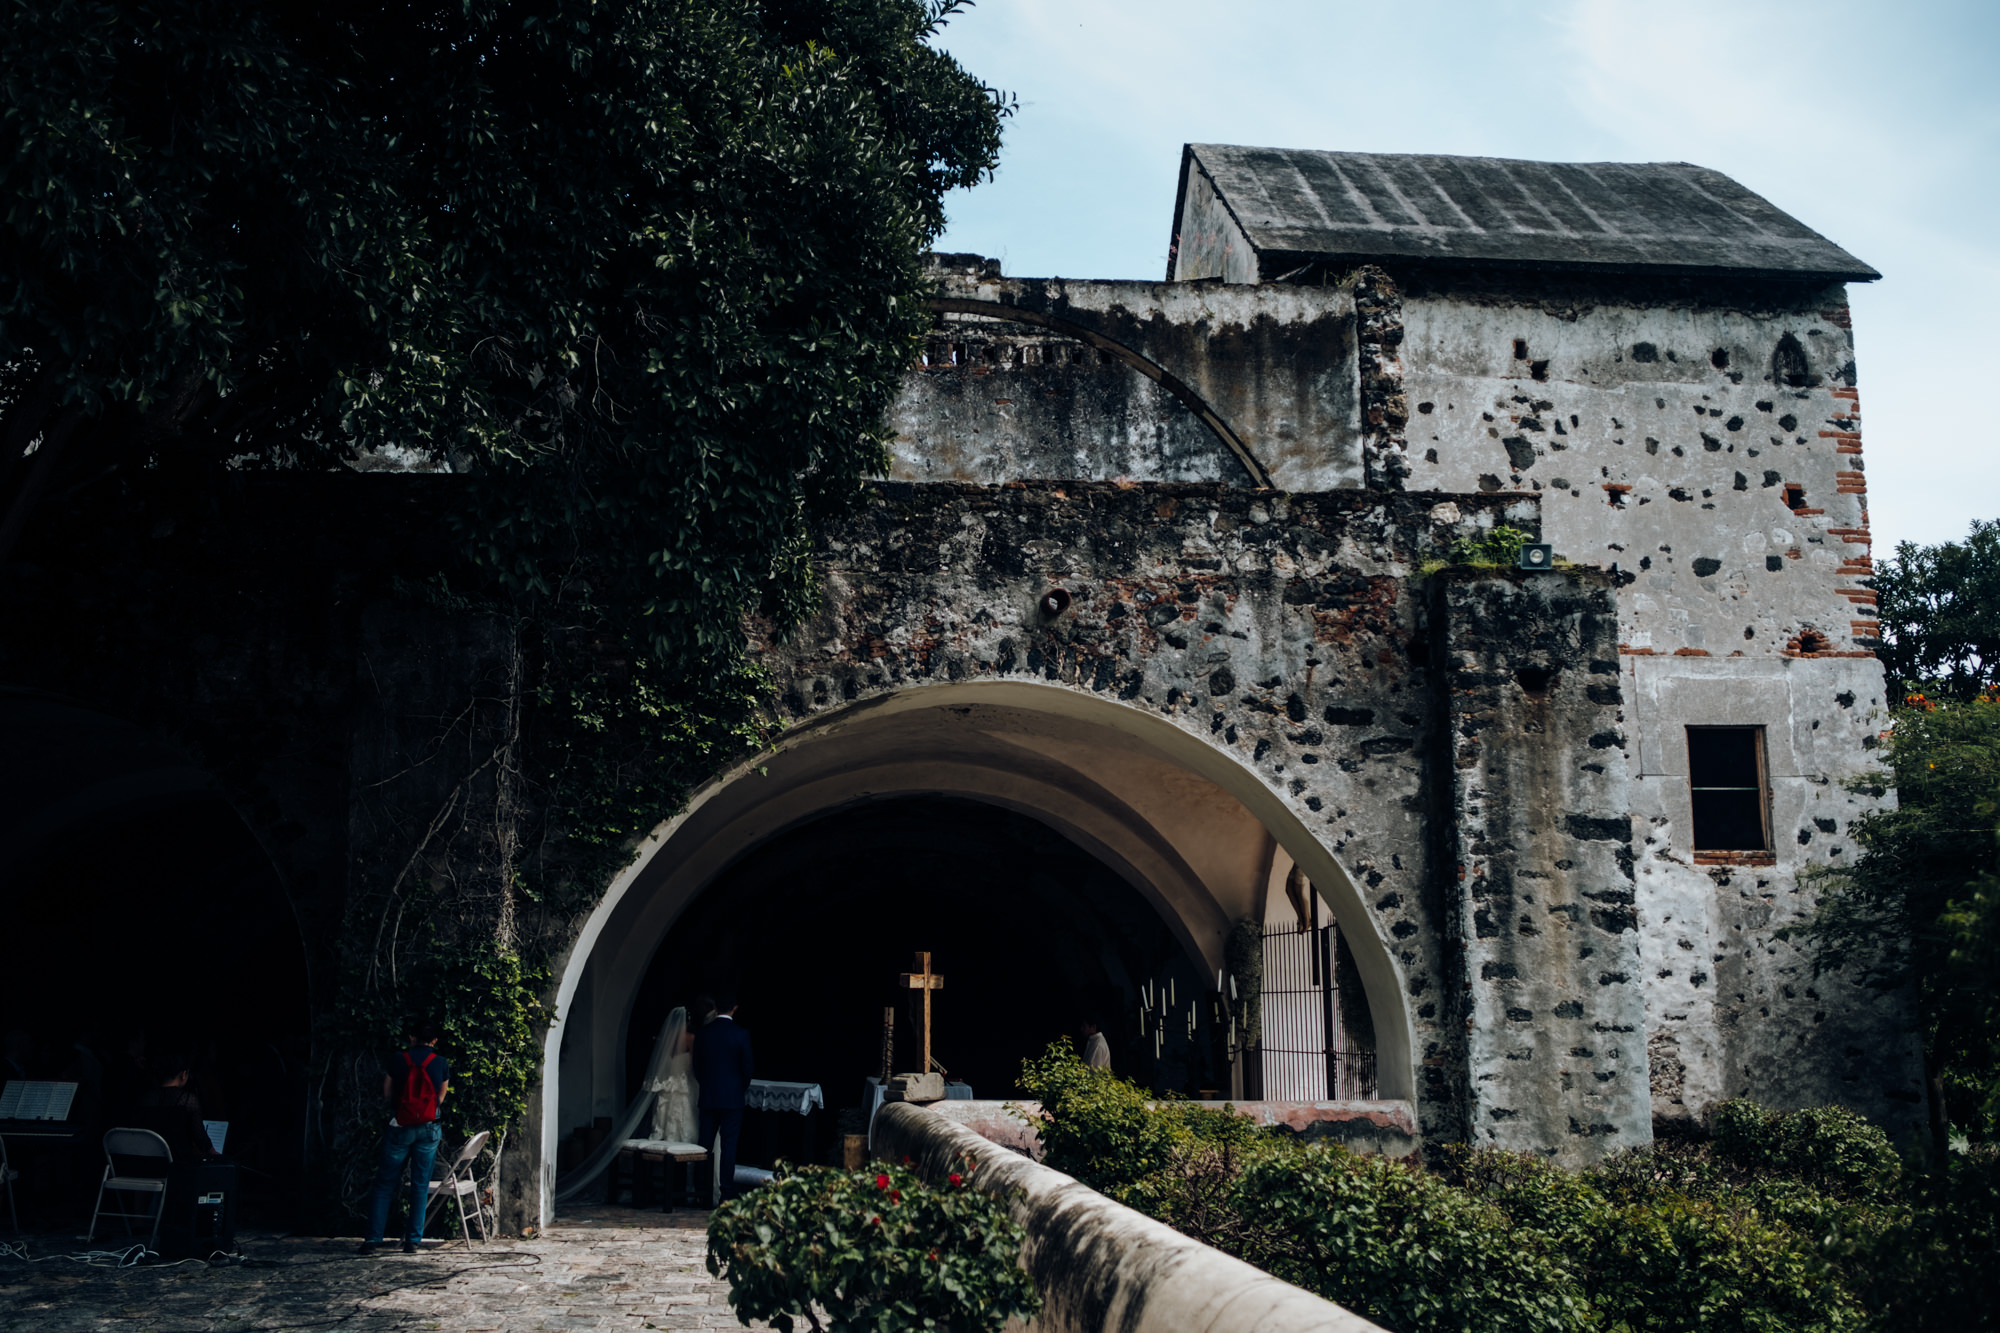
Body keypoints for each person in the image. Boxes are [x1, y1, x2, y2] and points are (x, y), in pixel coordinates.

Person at [360, 1020, 451, 1256]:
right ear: (434, 1041)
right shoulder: (440, 1063)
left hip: (400, 1125)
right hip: (428, 1128)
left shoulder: (398, 1060)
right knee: (420, 1184)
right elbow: (441, 1096)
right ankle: (413, 1241)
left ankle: (372, 1240)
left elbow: (388, 1092)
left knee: (384, 1183)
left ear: (411, 1038)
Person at [690, 991, 753, 1203]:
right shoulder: (741, 1034)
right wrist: (738, 1089)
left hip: (708, 1096)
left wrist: (707, 1085)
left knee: (704, 1146)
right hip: (732, 1098)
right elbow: (747, 1069)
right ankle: (726, 1193)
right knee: (729, 1146)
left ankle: (702, 1192)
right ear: (735, 1008)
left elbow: (696, 1067)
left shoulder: (703, 1033)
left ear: (715, 1008)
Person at [136, 1053, 221, 1162]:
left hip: (149, 1161)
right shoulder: (187, 1100)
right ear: (183, 1075)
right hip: (178, 1164)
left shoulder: (146, 1098)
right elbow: (200, 1137)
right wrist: (214, 1153)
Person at [647, 1007, 699, 1143]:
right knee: (686, 1116)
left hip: (669, 1084)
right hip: (685, 1083)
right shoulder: (690, 1038)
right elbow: (694, 1063)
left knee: (665, 1117)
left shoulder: (666, 1039)